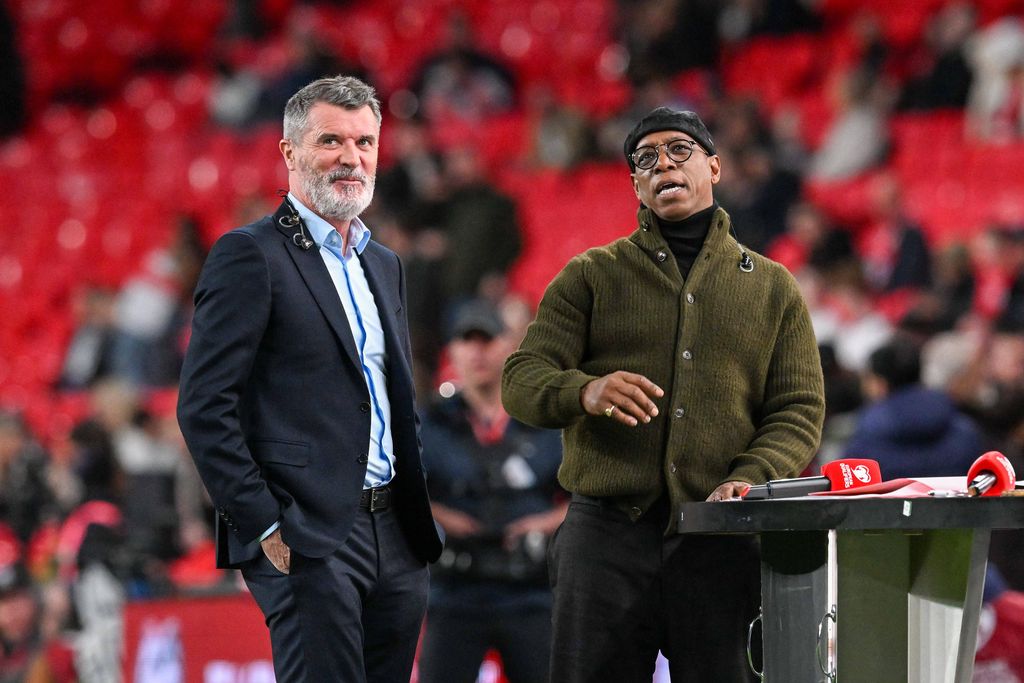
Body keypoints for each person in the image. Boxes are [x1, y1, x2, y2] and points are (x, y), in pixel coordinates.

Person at [501, 106, 825, 682]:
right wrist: (584, 391)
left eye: (679, 150)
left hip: (720, 533)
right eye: (645, 159)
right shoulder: (590, 274)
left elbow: (797, 410)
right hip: (604, 538)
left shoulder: (774, 287)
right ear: (635, 185)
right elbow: (521, 378)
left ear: (714, 167)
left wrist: (750, 475)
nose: (663, 165)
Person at [177, 75, 442, 683]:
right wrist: (265, 524)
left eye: (364, 142)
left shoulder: (385, 263)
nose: (352, 157)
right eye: (331, 141)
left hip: (397, 535)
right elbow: (203, 406)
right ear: (289, 152)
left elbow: (393, 398)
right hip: (305, 535)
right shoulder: (249, 254)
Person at [418, 300, 565, 683]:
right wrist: (442, 517)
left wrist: (543, 523)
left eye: (487, 340)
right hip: (454, 591)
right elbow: (401, 493)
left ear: (509, 346)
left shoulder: (544, 420)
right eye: (467, 341)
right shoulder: (429, 422)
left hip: (531, 591)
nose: (477, 351)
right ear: (452, 351)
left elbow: (583, 498)